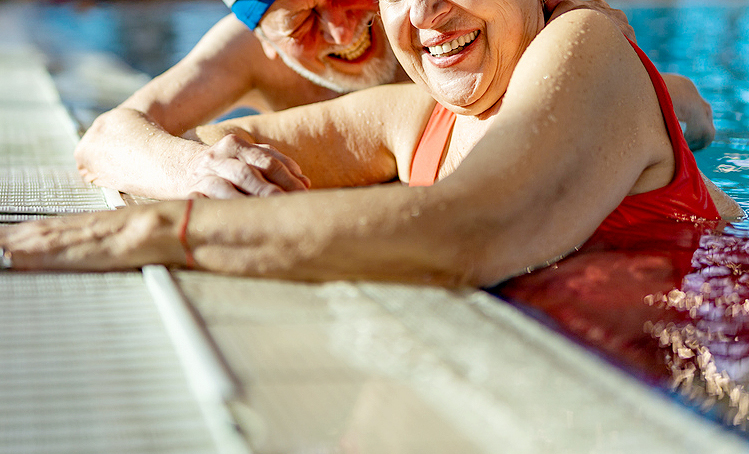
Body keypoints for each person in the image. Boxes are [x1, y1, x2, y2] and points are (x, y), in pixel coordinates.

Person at [0, 1, 742, 288]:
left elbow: (470, 228)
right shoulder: (407, 118)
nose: (422, 11)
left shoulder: (588, 42)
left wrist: (163, 230)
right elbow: (223, 149)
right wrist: (192, 172)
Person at [72, 0, 716, 200]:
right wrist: (193, 171)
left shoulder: (462, 18)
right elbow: (106, 138)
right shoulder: (239, 51)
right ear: (262, 41)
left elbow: (687, 109)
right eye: (301, 25)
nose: (345, 33)